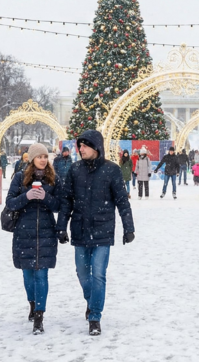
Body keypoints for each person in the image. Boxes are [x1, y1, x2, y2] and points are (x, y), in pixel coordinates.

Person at [56, 130, 135, 336]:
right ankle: (92, 301)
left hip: (103, 230)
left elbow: (122, 202)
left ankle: (95, 316)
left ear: (96, 147)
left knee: (98, 274)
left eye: (84, 145)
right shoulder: (74, 170)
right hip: (80, 229)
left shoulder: (112, 170)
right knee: (82, 273)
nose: (80, 149)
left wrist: (129, 228)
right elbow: (66, 201)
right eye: (79, 146)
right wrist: (61, 227)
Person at [5, 143, 60, 334]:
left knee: (41, 275)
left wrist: (46, 197)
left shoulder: (53, 179)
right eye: (39, 157)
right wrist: (26, 196)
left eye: (46, 156)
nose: (43, 160)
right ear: (32, 159)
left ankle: (39, 315)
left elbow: (59, 206)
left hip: (46, 233)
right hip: (24, 233)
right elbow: (10, 203)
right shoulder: (20, 178)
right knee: (28, 275)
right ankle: (32, 304)